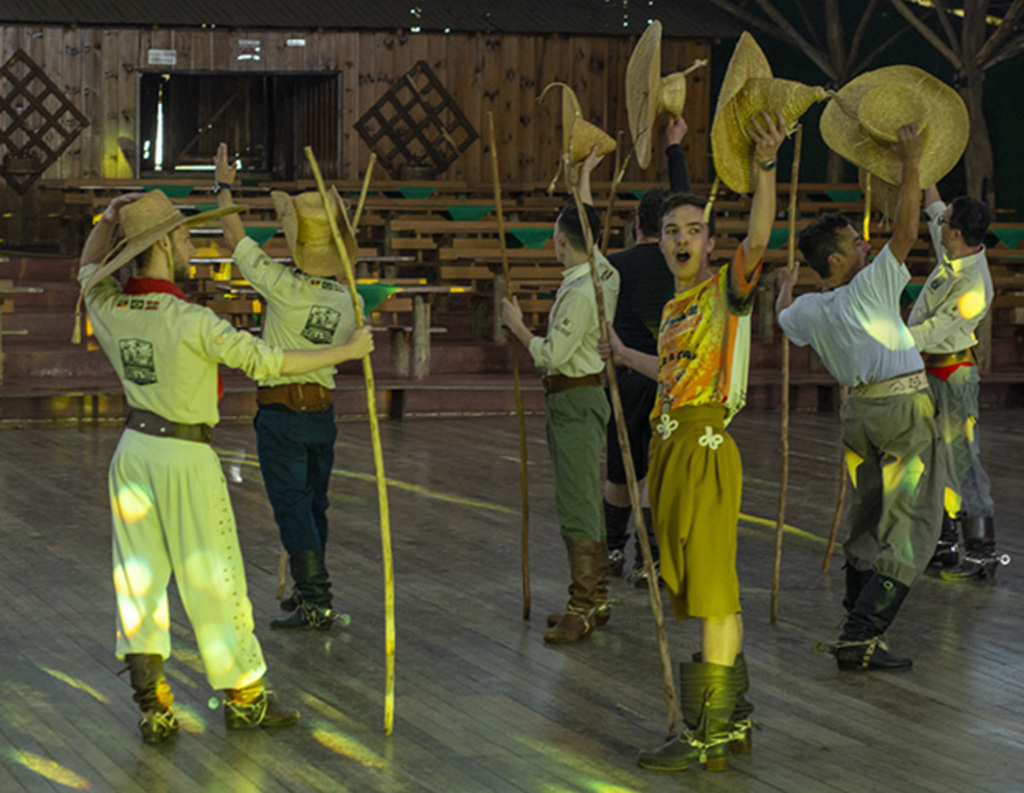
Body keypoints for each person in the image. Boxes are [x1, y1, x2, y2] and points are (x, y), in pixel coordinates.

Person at [78, 190, 373, 743]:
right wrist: (346, 352)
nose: (191, 245)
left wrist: (110, 220)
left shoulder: (110, 306)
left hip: (135, 451)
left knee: (137, 581)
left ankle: (154, 706)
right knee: (217, 580)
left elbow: (89, 269)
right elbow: (267, 361)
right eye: (185, 237)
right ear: (162, 244)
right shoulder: (191, 320)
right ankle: (244, 699)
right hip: (185, 458)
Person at [607, 109, 787, 771]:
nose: (683, 239)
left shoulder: (723, 293)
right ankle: (734, 716)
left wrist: (765, 167)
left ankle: (705, 729)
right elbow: (676, 372)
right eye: (672, 231)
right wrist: (627, 355)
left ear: (711, 242)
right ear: (660, 241)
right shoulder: (676, 307)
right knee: (717, 591)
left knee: (712, 592)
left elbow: (761, 235)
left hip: (706, 448)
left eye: (695, 231)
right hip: (671, 448)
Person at [775, 125, 944, 675]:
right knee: (913, 524)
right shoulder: (869, 286)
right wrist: (912, 162)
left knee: (866, 519)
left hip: (858, 417)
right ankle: (861, 635)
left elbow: (783, 316)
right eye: (854, 243)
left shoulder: (809, 309)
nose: (865, 244)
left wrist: (788, 282)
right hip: (901, 412)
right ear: (838, 262)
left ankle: (855, 625)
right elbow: (909, 229)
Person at [214, 143, 361, 628]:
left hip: (282, 414)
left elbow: (234, 237)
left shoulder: (284, 286)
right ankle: (309, 592)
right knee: (314, 505)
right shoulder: (348, 300)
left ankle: (317, 600)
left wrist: (224, 186)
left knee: (293, 510)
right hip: (322, 416)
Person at [500, 173, 620, 645]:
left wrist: (518, 328)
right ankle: (600, 597)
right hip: (585, 395)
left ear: (559, 240)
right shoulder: (604, 273)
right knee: (585, 497)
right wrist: (583, 183)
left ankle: (583, 604)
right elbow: (590, 232)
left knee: (577, 502)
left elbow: (552, 354)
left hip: (573, 396)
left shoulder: (579, 292)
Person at [604, 115, 691, 586]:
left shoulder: (614, 266)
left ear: (637, 223)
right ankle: (651, 560)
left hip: (623, 377)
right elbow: (690, 204)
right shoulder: (682, 266)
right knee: (653, 472)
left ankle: (613, 551)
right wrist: (674, 148)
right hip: (668, 381)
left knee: (619, 467)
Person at [907, 186, 1001, 580]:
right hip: (930, 373)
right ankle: (942, 543)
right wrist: (923, 171)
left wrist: (885, 342)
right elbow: (933, 211)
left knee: (962, 458)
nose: (938, 226)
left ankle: (982, 550)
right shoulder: (953, 252)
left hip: (954, 376)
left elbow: (934, 331)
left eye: (945, 223)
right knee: (929, 456)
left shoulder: (973, 287)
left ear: (957, 234)